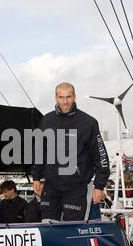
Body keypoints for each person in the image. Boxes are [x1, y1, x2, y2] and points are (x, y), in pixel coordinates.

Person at [32, 82, 110, 221]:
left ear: (74, 97)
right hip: (51, 187)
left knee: (72, 232)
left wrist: (99, 186)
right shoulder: (46, 121)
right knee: (49, 230)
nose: (65, 101)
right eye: (61, 97)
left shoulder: (89, 123)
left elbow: (101, 157)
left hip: (77, 188)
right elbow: (40, 151)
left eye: (68, 97)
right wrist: (36, 177)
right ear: (56, 98)